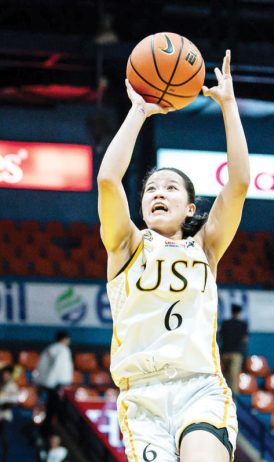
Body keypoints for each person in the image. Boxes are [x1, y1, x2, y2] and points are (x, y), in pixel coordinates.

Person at [98, 50, 249, 462]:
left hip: (198, 387)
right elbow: (109, 179)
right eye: (150, 189)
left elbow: (238, 184)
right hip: (142, 398)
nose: (158, 193)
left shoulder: (206, 245)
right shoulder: (126, 245)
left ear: (189, 208)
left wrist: (229, 106)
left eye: (169, 189)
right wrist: (138, 113)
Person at [35, 331, 73, 437]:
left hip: (47, 385)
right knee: (55, 411)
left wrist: (42, 383)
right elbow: (60, 369)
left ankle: (46, 432)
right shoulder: (62, 350)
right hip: (56, 386)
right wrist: (60, 384)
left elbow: (40, 368)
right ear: (65, 339)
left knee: (50, 411)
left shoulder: (49, 349)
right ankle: (52, 434)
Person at [220, 303, 248, 394]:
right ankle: (233, 398)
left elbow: (220, 337)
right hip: (236, 354)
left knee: (224, 376)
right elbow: (244, 341)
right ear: (239, 313)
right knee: (234, 377)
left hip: (224, 353)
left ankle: (222, 394)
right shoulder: (243, 324)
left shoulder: (225, 323)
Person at [0, 365, 19, 462]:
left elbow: (15, 401)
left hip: (4, 415)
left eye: (8, 374)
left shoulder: (12, 386)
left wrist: (7, 404)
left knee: (4, 437)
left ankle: (5, 459)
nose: (6, 376)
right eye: (4, 373)